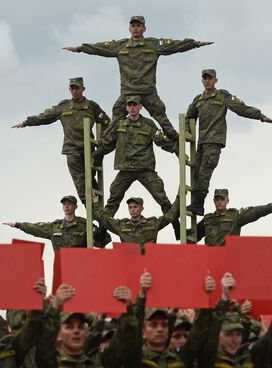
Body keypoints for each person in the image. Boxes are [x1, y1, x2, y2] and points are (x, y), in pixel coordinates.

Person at [63, 16, 214, 141]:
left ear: (144, 29)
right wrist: (80, 49)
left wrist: (195, 44)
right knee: (116, 115)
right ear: (129, 29)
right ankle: (101, 145)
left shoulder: (153, 45)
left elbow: (175, 45)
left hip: (148, 91)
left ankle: (177, 141)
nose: (135, 28)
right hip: (128, 91)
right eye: (133, 26)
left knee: (161, 117)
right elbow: (100, 48)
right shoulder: (120, 46)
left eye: (138, 26)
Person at [185, 69, 272, 215]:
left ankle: (198, 204)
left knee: (204, 173)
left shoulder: (222, 96)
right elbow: (189, 116)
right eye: (205, 79)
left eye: (210, 78)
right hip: (201, 142)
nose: (207, 81)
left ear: (215, 80)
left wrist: (260, 116)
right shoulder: (199, 100)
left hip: (214, 141)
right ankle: (197, 203)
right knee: (196, 173)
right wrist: (186, 130)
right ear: (202, 81)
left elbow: (240, 108)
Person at [92, 95, 181, 239]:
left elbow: (163, 142)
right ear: (126, 108)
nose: (132, 108)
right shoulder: (120, 124)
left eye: (135, 105)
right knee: (113, 200)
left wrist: (178, 151)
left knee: (162, 199)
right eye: (130, 105)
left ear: (140, 107)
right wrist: (95, 155)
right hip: (126, 169)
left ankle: (177, 227)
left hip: (145, 169)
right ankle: (102, 231)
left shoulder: (148, 124)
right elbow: (108, 144)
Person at [11, 77, 110, 205]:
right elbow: (44, 117)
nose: (74, 91)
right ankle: (97, 213)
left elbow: (107, 122)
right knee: (81, 183)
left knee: (89, 179)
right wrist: (26, 122)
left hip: (89, 150)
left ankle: (100, 210)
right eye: (72, 88)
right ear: (69, 89)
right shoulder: (64, 106)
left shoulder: (91, 106)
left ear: (83, 89)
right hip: (72, 150)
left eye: (77, 88)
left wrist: (102, 139)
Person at [34, 282, 142, 367]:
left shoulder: (101, 362)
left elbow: (125, 341)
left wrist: (127, 308)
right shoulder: (51, 363)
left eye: (80, 327)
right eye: (69, 327)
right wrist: (56, 306)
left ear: (86, 332)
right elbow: (44, 343)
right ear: (58, 335)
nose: (76, 331)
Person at [3, 194, 111, 250]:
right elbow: (35, 228)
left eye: (69, 204)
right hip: (61, 267)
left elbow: (105, 239)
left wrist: (95, 236)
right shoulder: (54, 227)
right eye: (64, 204)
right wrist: (18, 225)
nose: (67, 206)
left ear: (75, 206)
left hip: (81, 265)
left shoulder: (84, 225)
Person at [192, 189, 272, 245]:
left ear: (227, 201)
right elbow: (193, 236)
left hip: (228, 258)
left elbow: (254, 212)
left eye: (222, 199)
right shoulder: (208, 219)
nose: (219, 202)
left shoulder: (234, 215)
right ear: (214, 201)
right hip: (210, 258)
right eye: (217, 199)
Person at [92, 194, 180, 253]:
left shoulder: (152, 223)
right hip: (129, 264)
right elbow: (103, 219)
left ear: (142, 208)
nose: (132, 210)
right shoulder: (121, 225)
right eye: (130, 207)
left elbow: (170, 216)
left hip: (149, 263)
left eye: (135, 207)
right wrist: (95, 202)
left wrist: (179, 197)